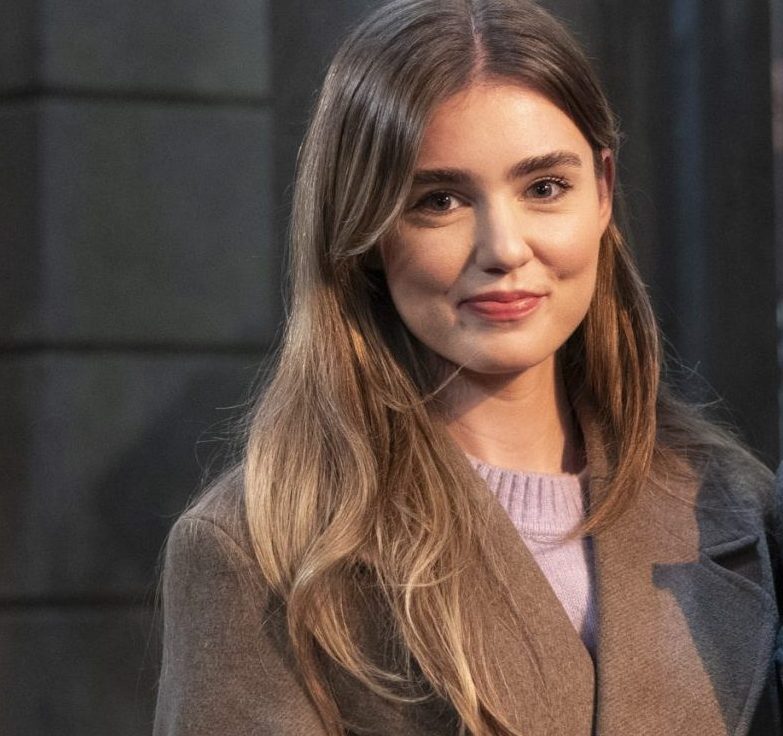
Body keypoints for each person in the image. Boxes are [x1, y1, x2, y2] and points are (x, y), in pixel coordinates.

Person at [152, 1, 782, 734]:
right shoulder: (261, 552)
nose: (504, 248)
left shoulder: (734, 503)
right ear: (365, 229)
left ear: (603, 190)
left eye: (544, 188)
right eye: (440, 200)